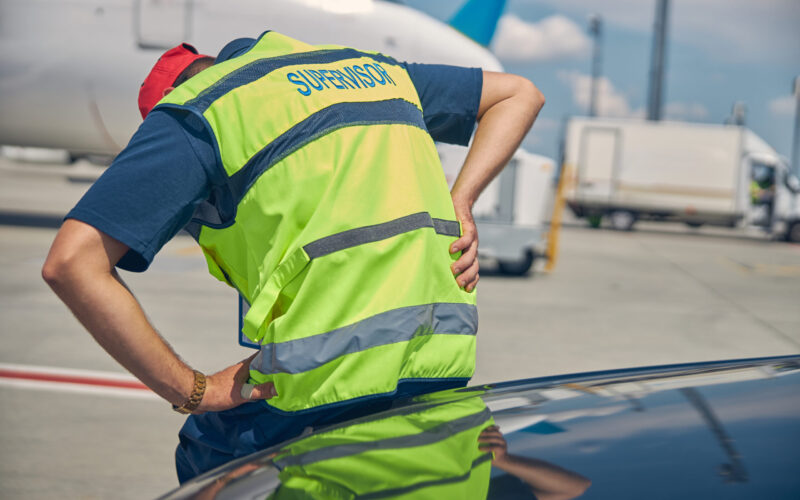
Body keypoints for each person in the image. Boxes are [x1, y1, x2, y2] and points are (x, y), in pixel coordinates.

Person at [42, 30, 544, 482]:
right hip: (441, 368)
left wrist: (191, 391)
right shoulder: (371, 73)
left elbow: (72, 263)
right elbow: (520, 93)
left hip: (320, 389)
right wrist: (462, 202)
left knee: (208, 452)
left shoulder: (199, 114)